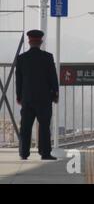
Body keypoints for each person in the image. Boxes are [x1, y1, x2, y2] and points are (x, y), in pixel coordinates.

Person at [15, 30, 59, 160]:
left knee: (26, 126)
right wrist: (55, 94)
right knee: (44, 126)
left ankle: (24, 153)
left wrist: (19, 96)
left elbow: (19, 81)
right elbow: (53, 78)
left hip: (27, 98)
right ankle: (45, 153)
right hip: (44, 99)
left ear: (29, 42)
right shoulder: (48, 57)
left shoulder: (22, 58)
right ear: (41, 42)